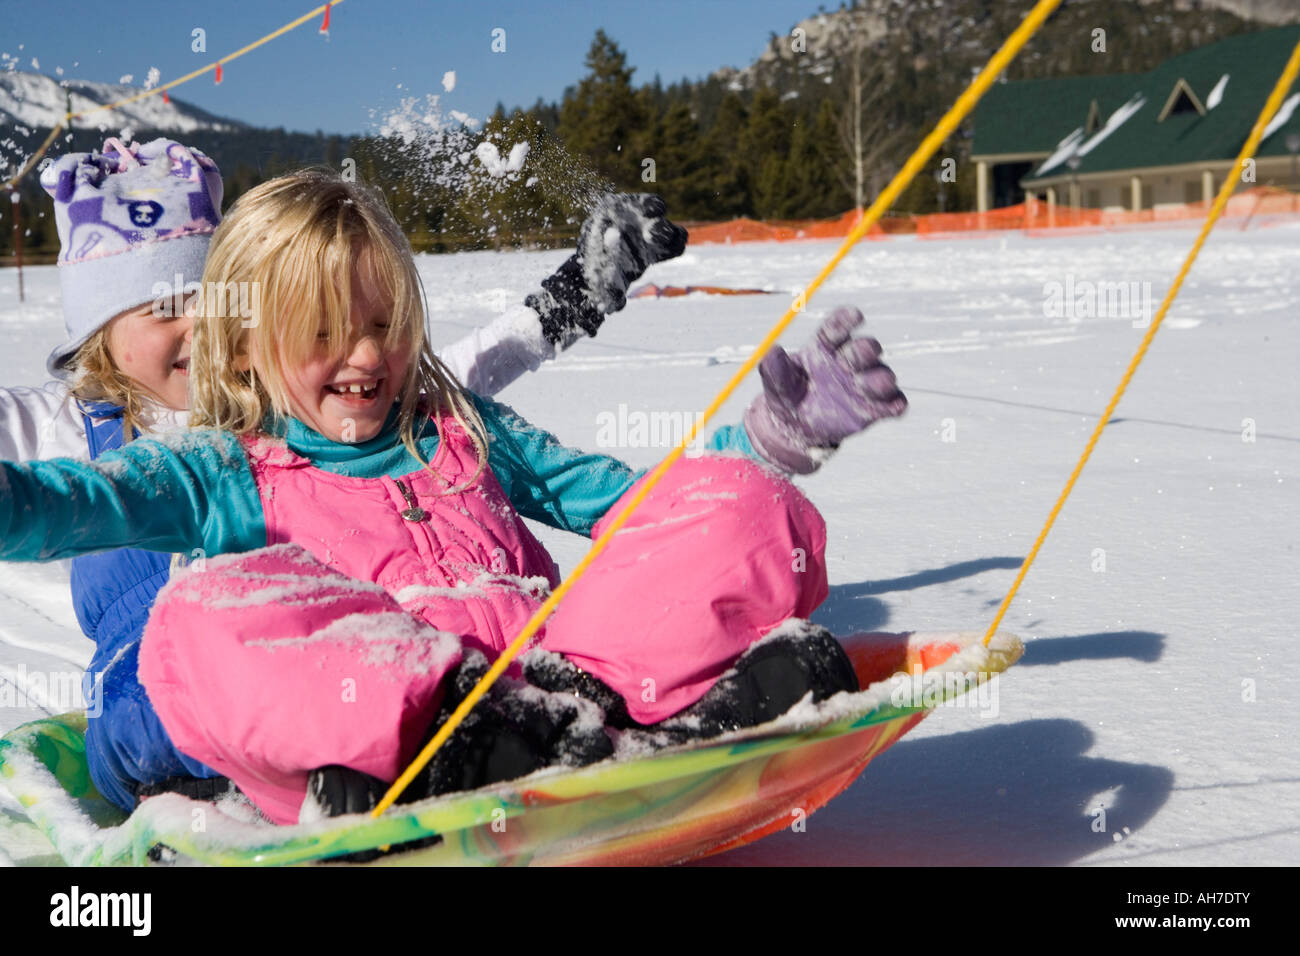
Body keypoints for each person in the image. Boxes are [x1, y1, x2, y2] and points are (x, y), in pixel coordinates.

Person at [0, 168, 907, 826]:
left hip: (561, 684)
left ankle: (616, 722)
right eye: (323, 331)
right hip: (379, 734)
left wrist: (765, 448)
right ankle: (441, 755)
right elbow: (72, 504)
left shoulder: (462, 428)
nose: (364, 354)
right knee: (195, 618)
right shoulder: (220, 467)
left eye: (385, 323)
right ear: (244, 349)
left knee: (741, 504)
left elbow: (640, 511)